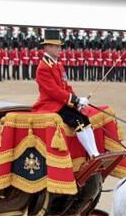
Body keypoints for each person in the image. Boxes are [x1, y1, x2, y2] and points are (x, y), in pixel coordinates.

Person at [32, 28, 100, 158]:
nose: (60, 49)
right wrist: (75, 100)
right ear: (47, 47)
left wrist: (77, 102)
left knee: (85, 119)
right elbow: (54, 92)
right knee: (77, 121)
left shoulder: (58, 65)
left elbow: (66, 86)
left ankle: (96, 153)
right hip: (50, 105)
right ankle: (92, 154)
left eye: (59, 46)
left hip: (61, 103)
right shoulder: (43, 67)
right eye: (57, 46)